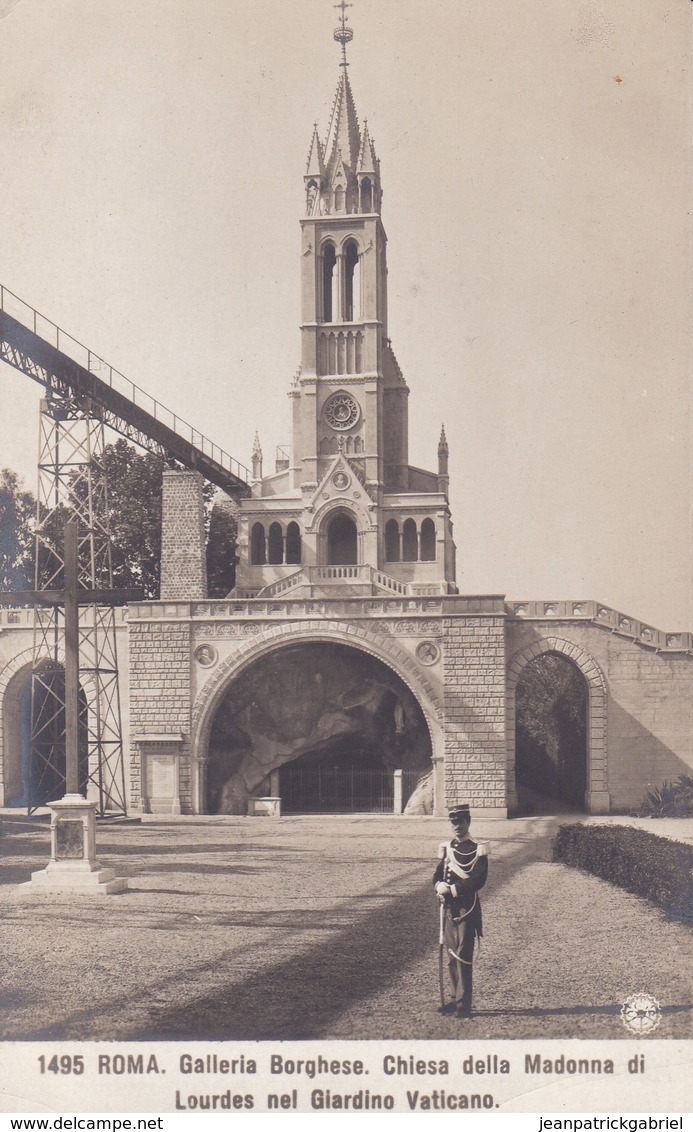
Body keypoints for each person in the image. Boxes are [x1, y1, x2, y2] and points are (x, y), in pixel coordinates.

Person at [433, 803, 488, 1018]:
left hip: (466, 907)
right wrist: (438, 886)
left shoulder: (478, 849)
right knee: (451, 954)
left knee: (463, 955)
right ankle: (455, 998)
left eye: (461, 821)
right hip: (448, 908)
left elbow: (478, 880)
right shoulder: (447, 848)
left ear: (468, 822)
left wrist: (453, 889)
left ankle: (463, 1004)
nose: (457, 826)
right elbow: (438, 874)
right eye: (453, 822)